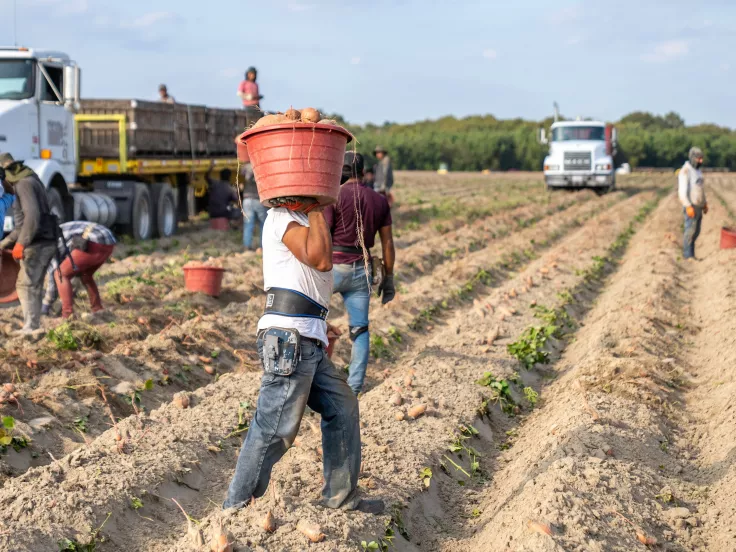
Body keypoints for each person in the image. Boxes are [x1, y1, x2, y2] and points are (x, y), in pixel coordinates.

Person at [223, 194, 383, 515]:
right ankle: (235, 511)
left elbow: (308, 280)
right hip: (288, 339)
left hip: (304, 337)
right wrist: (316, 209)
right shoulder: (283, 217)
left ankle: (340, 497)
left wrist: (320, 325)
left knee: (342, 405)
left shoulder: (301, 219)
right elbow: (321, 260)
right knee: (273, 429)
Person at [323, 153, 395, 395]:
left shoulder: (333, 197)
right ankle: (354, 388)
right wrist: (390, 278)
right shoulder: (379, 201)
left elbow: (323, 238)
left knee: (310, 322)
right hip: (362, 270)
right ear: (363, 172)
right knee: (360, 330)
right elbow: (387, 244)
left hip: (333, 268)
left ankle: (315, 382)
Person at [0, 153, 59, 334]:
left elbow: (32, 216)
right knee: (32, 284)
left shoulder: (24, 184)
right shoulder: (32, 181)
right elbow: (21, 224)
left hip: (37, 242)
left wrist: (21, 244)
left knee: (25, 284)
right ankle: (33, 325)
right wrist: (5, 243)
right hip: (45, 238)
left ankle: (31, 326)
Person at [42, 221, 116, 318]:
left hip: (94, 241)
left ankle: (67, 315)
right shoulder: (52, 233)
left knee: (61, 274)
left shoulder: (47, 246)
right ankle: (97, 308)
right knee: (86, 275)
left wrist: (46, 305)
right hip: (109, 241)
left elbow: (54, 276)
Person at [679, 146, 708, 261]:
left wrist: (704, 203)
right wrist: (687, 206)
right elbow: (682, 191)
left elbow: (700, 188)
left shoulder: (698, 171)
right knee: (690, 231)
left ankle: (691, 254)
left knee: (696, 231)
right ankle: (688, 255)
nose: (701, 161)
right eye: (698, 159)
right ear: (692, 158)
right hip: (691, 206)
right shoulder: (685, 171)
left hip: (698, 206)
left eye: (701, 159)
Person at [241, 163, 268, 249]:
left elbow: (241, 173)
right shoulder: (262, 166)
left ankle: (247, 246)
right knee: (263, 224)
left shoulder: (246, 166)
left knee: (248, 224)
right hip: (258, 199)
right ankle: (262, 246)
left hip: (247, 200)